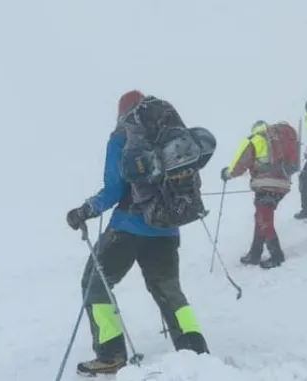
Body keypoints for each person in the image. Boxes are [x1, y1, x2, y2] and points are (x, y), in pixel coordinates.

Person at [65, 90, 210, 376]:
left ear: (123, 113)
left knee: (95, 284)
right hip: (167, 229)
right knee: (168, 289)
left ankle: (110, 353)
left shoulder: (123, 137)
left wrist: (83, 211)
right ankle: (195, 349)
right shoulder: (172, 139)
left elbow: (114, 190)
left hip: (129, 229)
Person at [221, 120, 294, 269]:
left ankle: (276, 256)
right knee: (261, 217)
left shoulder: (255, 139)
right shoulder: (278, 140)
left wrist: (227, 174)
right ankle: (255, 254)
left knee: (263, 220)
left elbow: (240, 164)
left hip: (266, 184)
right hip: (283, 184)